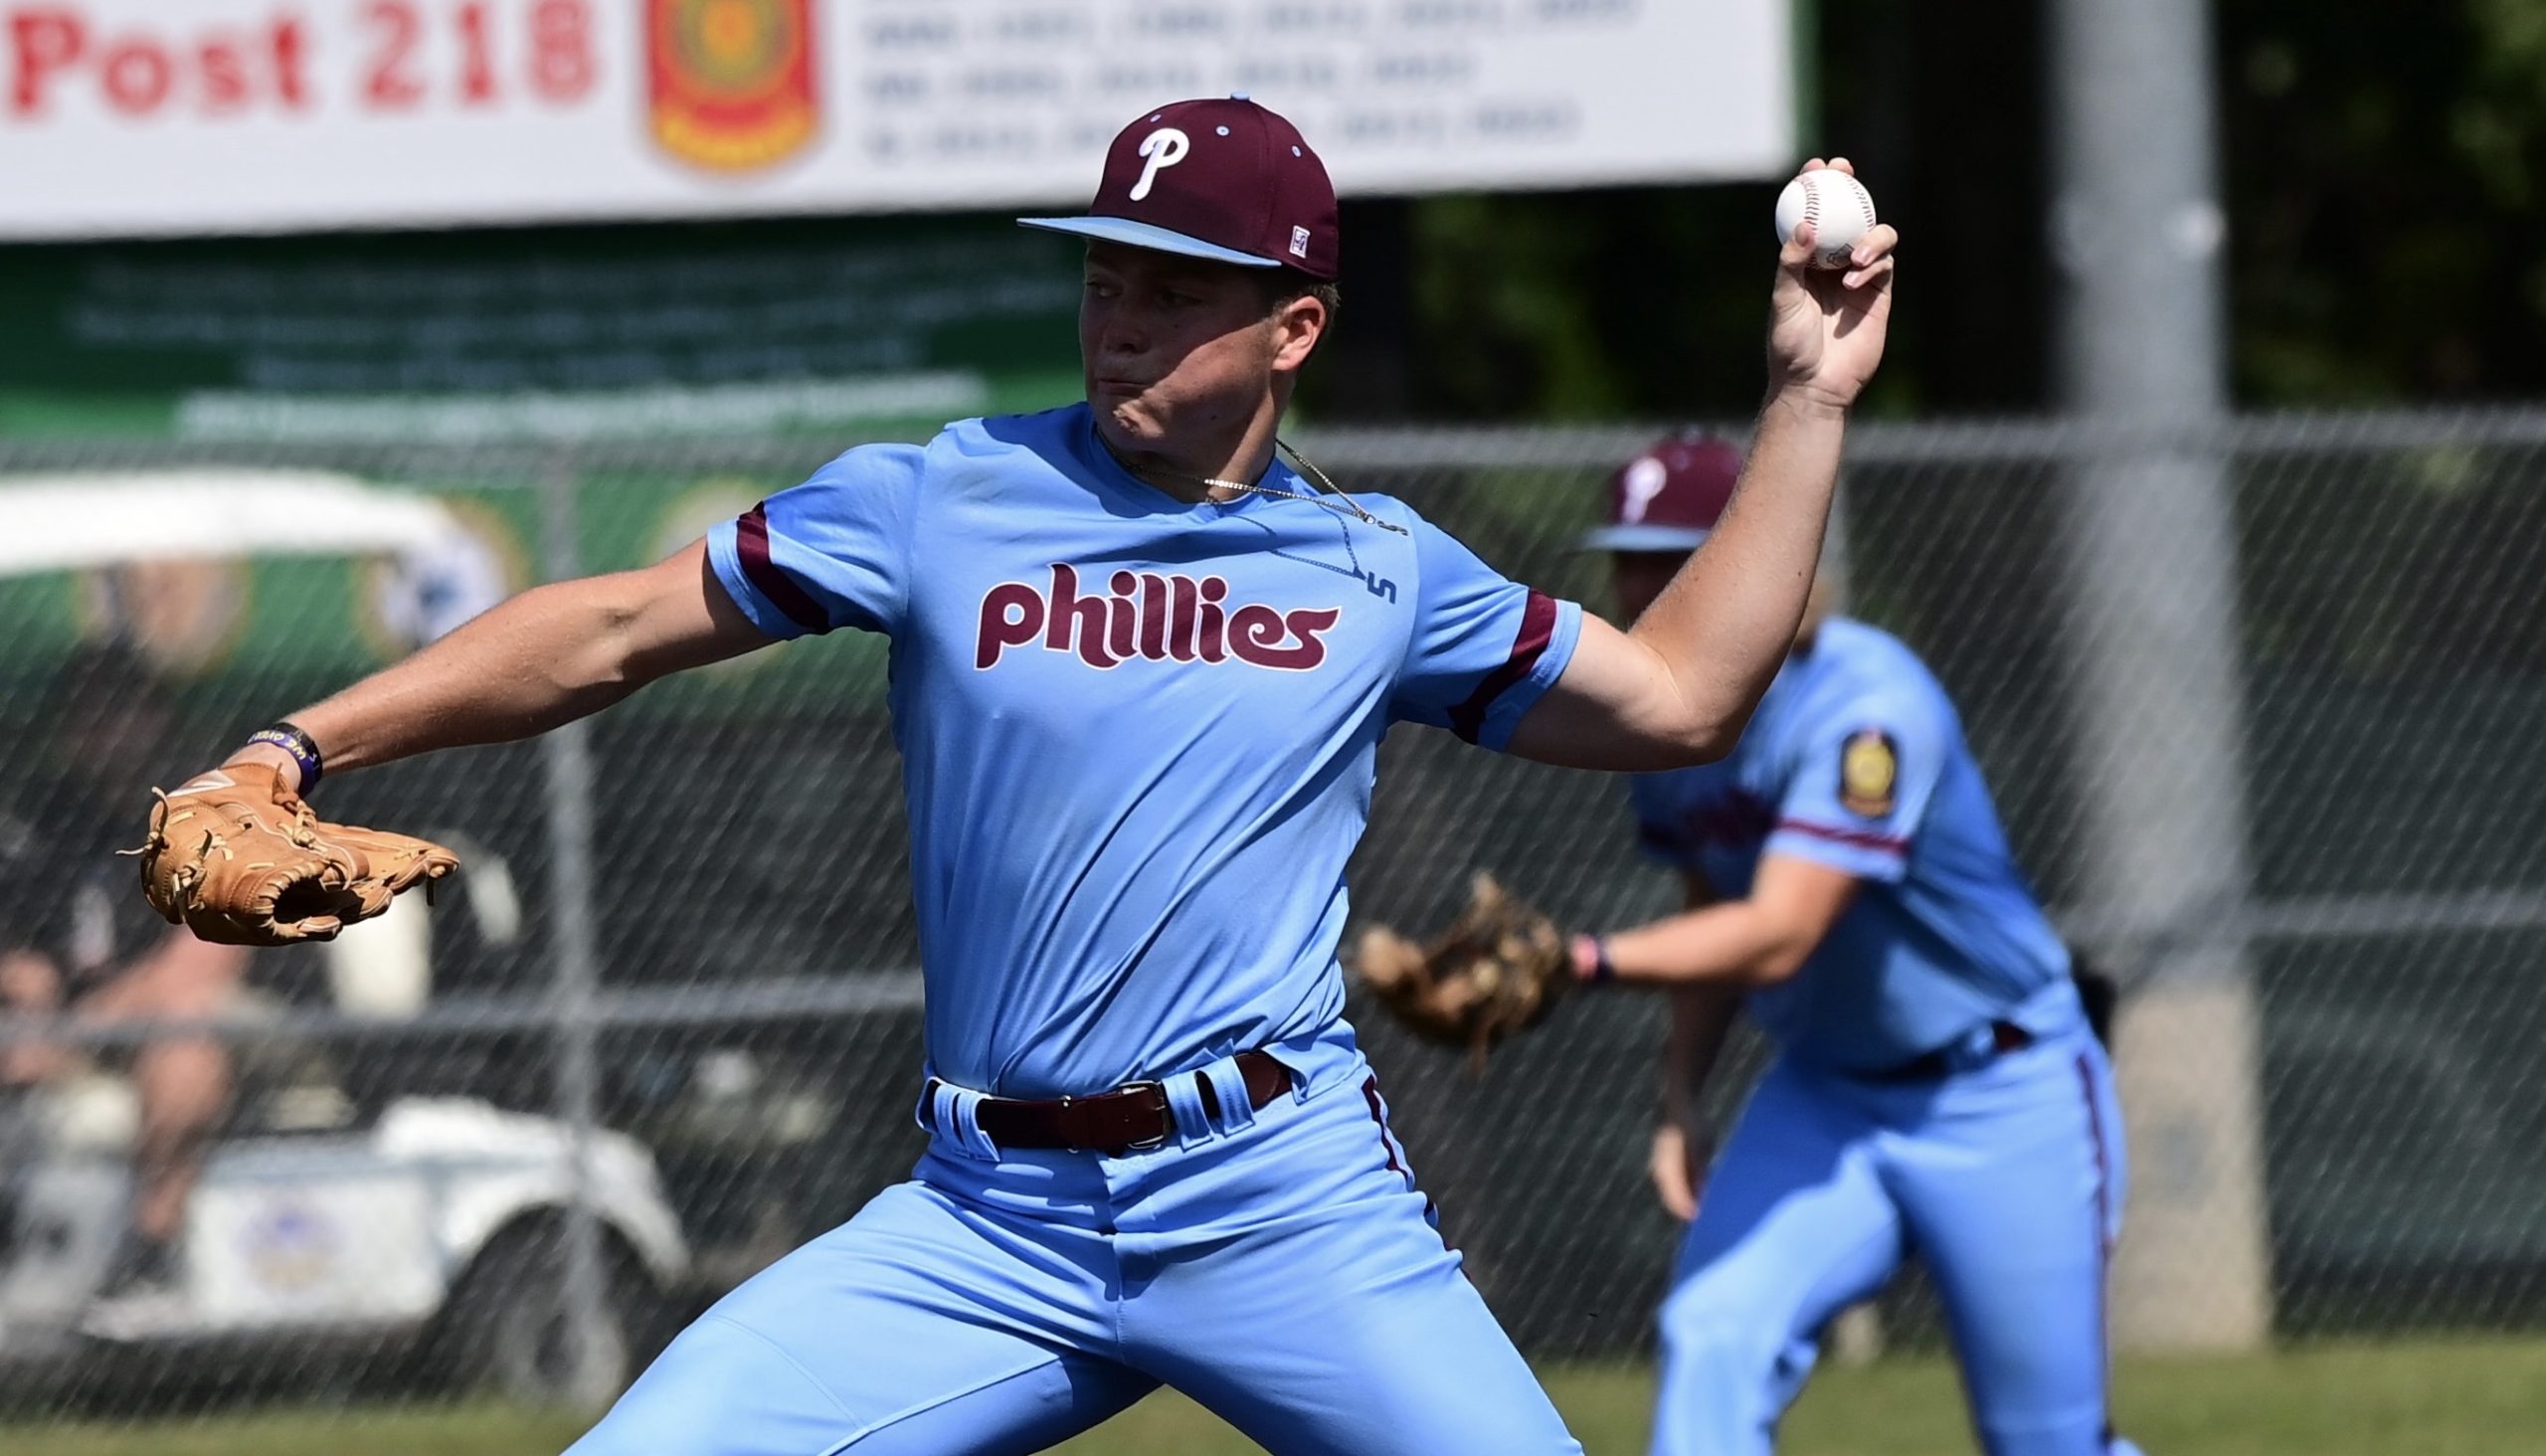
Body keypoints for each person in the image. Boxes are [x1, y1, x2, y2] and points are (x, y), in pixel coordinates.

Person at [157, 98, 1896, 1453]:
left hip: (1277, 1190)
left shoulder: (1383, 566)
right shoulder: (941, 495)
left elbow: (1680, 695)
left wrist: (1805, 399)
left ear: (1294, 329)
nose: (1120, 320)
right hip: (988, 1216)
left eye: (1175, 288)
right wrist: (292, 742)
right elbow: (612, 623)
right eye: (1103, 275)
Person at [1563, 435, 2139, 1456]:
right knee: (1711, 1336)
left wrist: (1579, 963)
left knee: (2045, 1442)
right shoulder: (1662, 717)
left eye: (1676, 556)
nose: (1644, 581)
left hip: (2000, 1090)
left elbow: (1779, 934)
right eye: (1630, 554)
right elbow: (1710, 901)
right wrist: (1679, 1090)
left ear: (1757, 554)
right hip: (1827, 1095)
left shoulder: (1866, 708)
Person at [0, 644, 255, 1329]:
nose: (102, 730)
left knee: (183, 1027)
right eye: (84, 715)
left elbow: (200, 965)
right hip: (87, 1027)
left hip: (243, 1018)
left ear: (156, 718)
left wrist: (67, 1038)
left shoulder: (211, 813)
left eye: (119, 710)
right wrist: (28, 1010)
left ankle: (151, 1256)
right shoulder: (51, 820)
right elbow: (25, 956)